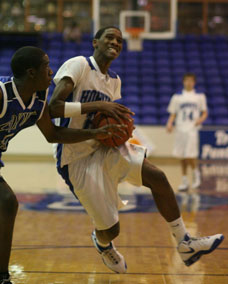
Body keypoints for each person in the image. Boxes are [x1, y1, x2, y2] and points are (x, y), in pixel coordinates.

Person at [49, 27, 223, 274]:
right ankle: (103, 243)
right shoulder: (79, 65)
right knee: (111, 230)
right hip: (74, 157)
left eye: (120, 40)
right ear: (95, 42)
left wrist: (117, 128)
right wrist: (98, 106)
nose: (115, 42)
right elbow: (54, 107)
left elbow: (104, 118)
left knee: (158, 177)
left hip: (102, 146)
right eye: (110, 37)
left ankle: (185, 242)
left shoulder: (115, 81)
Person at [0, 46, 124, 284]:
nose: (51, 71)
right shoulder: (2, 93)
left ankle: (3, 276)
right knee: (6, 202)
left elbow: (53, 133)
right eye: (46, 66)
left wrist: (95, 133)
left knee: (6, 204)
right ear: (31, 73)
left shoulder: (38, 101)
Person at [166, 73, 208, 191]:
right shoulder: (177, 97)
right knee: (182, 156)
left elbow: (204, 112)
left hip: (192, 129)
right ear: (183, 82)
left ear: (194, 82)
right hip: (180, 128)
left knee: (190, 154)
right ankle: (184, 180)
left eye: (191, 81)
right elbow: (173, 113)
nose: (189, 83)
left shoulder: (199, 96)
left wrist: (199, 120)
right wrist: (169, 123)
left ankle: (196, 175)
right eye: (186, 80)